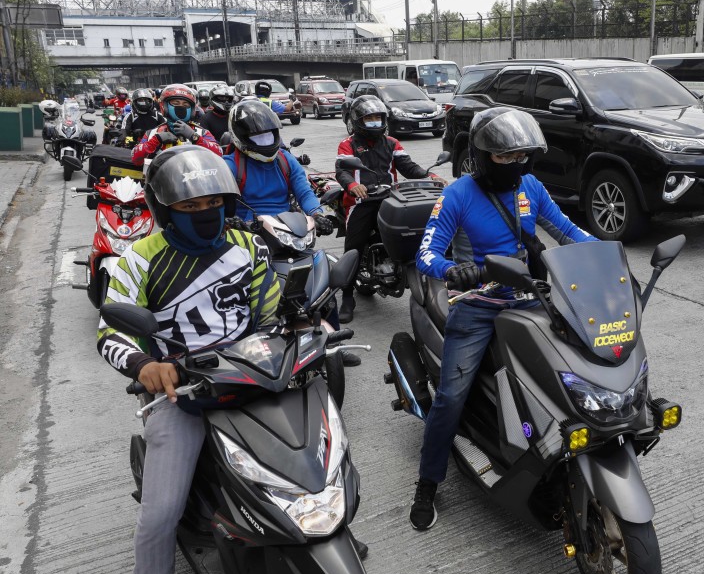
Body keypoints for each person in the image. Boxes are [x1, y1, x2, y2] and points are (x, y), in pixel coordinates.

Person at [98, 146, 368, 574]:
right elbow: (110, 330)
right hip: (186, 392)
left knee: (323, 454)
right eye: (191, 207)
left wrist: (307, 323)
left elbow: (269, 309)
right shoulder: (140, 258)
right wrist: (144, 366)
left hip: (253, 375)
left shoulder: (248, 245)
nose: (207, 214)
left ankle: (327, 530)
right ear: (164, 210)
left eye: (215, 202)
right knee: (161, 510)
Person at [408, 107, 594, 530]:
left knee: (568, 373)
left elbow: (566, 230)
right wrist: (451, 271)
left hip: (531, 301)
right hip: (478, 306)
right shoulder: (457, 195)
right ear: (481, 154)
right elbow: (426, 253)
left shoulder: (531, 186)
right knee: (451, 397)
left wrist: (606, 253)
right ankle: (427, 482)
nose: (515, 165)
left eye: (521, 156)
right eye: (504, 157)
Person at [223, 100, 362, 367]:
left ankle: (333, 344)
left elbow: (304, 191)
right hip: (249, 237)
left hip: (288, 230)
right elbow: (221, 204)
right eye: (257, 137)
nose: (265, 141)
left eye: (269, 135)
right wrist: (234, 223)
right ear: (241, 138)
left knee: (322, 281)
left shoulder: (285, 160)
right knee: (246, 292)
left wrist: (318, 215)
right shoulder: (229, 166)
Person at [334, 95, 446, 323]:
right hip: (361, 201)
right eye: (369, 118)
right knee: (353, 246)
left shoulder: (392, 143)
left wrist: (429, 175)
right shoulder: (348, 144)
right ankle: (347, 296)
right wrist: (353, 185)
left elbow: (407, 166)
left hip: (390, 196)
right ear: (358, 120)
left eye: (378, 117)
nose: (375, 121)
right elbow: (342, 170)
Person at [131, 84, 220, 165]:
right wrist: (156, 140)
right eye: (175, 103)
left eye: (185, 104)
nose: (181, 107)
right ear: (164, 107)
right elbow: (135, 159)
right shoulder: (152, 134)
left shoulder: (201, 133)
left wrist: (194, 137)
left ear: (192, 109)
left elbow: (219, 153)